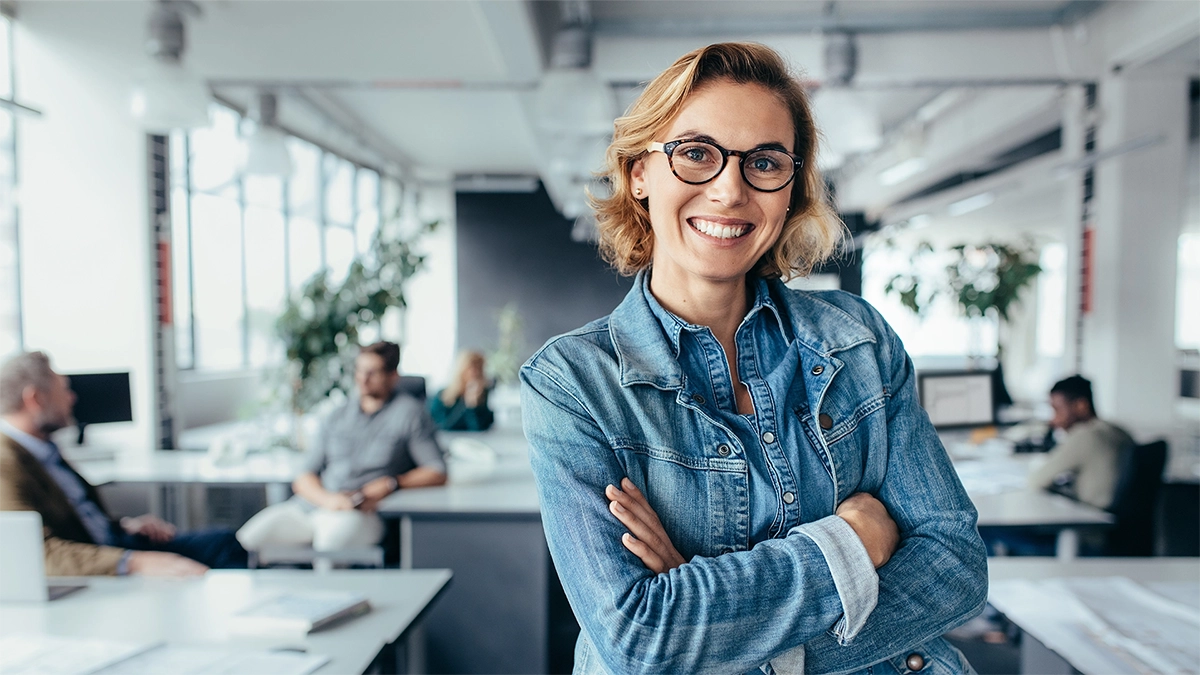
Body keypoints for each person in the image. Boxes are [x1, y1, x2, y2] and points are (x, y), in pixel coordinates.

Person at [520, 43, 988, 675]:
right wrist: (851, 543)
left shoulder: (860, 342)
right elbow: (638, 638)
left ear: (791, 190)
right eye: (695, 154)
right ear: (638, 173)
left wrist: (726, 628)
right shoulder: (575, 384)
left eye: (765, 162)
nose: (729, 189)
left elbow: (954, 566)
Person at [0, 351, 247, 576]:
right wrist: (136, 562)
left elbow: (77, 514)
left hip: (117, 541)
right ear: (35, 399)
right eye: (63, 390)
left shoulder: (43, 449)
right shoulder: (6, 462)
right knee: (217, 552)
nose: (72, 398)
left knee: (223, 542)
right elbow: (35, 554)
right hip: (100, 560)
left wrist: (125, 526)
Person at [236, 341, 447, 553]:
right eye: (360, 371)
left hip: (361, 513)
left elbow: (437, 471)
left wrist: (392, 483)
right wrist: (329, 501)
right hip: (315, 505)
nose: (363, 379)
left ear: (393, 376)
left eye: (372, 373)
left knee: (329, 546)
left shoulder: (410, 414)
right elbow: (303, 477)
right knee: (246, 540)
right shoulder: (337, 414)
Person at [1028, 375, 1133, 510]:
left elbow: (1036, 481)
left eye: (1057, 410)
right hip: (1116, 519)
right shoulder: (1119, 431)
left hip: (1090, 520)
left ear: (1081, 405)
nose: (1053, 420)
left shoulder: (1084, 435)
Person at [430, 350, 494, 431]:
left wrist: (472, 406)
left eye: (479, 369)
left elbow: (478, 428)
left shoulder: (481, 396)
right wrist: (464, 405)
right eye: (472, 368)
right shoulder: (442, 396)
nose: (476, 373)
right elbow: (444, 427)